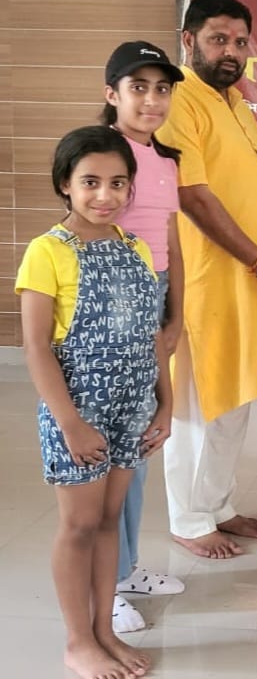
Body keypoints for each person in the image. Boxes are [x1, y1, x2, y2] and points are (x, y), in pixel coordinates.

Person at [156, 0, 257, 559]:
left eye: (240, 42)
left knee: (235, 398)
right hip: (206, 280)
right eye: (218, 39)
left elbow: (254, 176)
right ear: (189, 40)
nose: (231, 51)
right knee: (200, 403)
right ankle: (189, 517)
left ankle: (217, 503)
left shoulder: (236, 102)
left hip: (247, 280)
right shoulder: (179, 99)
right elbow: (194, 195)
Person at [17, 125, 172, 679]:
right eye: (90, 182)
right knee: (79, 525)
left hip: (132, 409)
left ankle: (105, 629)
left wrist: (165, 404)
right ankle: (77, 640)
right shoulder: (47, 251)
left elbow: (152, 336)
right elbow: (36, 347)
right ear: (65, 183)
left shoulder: (135, 247)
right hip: (78, 411)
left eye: (117, 183)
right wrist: (70, 424)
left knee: (109, 521)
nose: (105, 195)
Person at [100, 41, 187, 632]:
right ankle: (103, 584)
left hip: (151, 300)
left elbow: (171, 242)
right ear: (112, 94)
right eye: (138, 88)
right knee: (110, 447)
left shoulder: (165, 160)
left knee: (142, 439)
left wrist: (174, 315)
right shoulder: (100, 152)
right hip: (110, 299)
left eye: (161, 89)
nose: (152, 100)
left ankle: (126, 565)